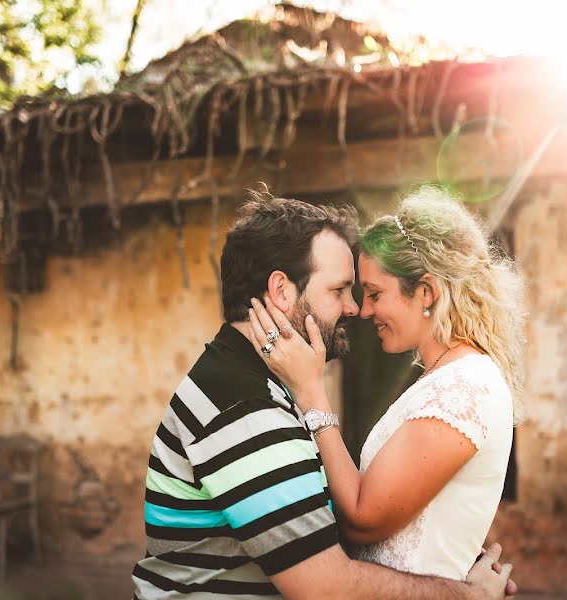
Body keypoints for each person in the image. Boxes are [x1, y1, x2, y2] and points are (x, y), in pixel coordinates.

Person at [131, 188, 515, 599]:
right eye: (339, 290)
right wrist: (464, 594)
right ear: (281, 291)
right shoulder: (244, 406)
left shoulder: (267, 388)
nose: (355, 309)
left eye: (369, 293)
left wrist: (444, 549)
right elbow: (325, 586)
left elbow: (310, 528)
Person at [246, 185, 525, 580]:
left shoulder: (463, 387)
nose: (363, 310)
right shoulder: (448, 377)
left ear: (426, 292)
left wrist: (311, 391)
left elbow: (363, 519)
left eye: (375, 294)